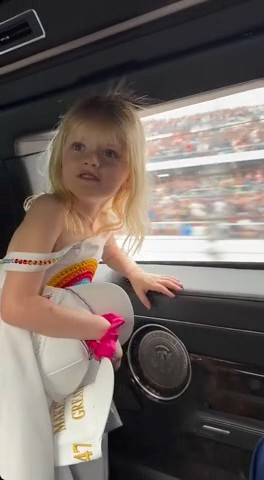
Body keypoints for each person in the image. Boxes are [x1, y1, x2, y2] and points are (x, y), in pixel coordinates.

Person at [0, 93, 183, 480]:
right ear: (60, 157)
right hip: (18, 334)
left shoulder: (100, 216)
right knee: (29, 443)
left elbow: (107, 247)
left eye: (109, 154)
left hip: (54, 330)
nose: (91, 160)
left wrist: (135, 274)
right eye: (79, 147)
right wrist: (100, 329)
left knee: (70, 432)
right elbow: (15, 306)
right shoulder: (51, 211)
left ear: (129, 173)